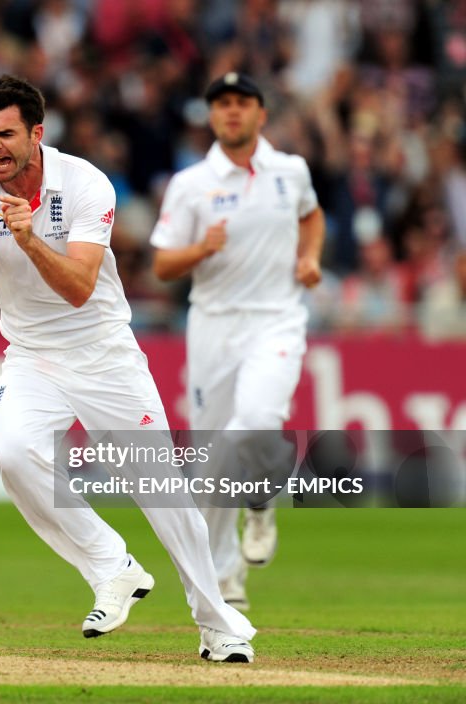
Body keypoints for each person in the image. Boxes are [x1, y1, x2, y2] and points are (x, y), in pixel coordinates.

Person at [0, 74, 256, 663]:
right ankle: (113, 566)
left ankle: (220, 628)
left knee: (159, 489)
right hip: (31, 355)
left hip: (102, 350)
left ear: (37, 133)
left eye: (6, 133)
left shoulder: (85, 183)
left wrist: (31, 238)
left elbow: (81, 288)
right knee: (14, 455)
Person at [150, 72, 324, 611]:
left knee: (254, 422)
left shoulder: (290, 171)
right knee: (211, 460)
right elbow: (162, 264)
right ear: (212, 115)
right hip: (214, 326)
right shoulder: (191, 183)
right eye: (221, 103)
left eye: (242, 103)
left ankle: (261, 498)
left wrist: (310, 256)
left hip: (276, 319)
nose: (232, 111)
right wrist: (201, 248)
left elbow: (311, 216)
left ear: (260, 113)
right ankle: (227, 581)